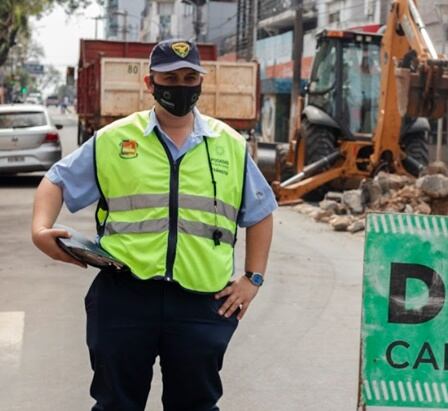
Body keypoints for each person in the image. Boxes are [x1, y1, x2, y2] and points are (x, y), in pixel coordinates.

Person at [30, 39, 277, 411]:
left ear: (200, 82)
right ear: (150, 83)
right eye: (170, 77)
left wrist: (253, 279)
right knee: (116, 404)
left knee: (195, 404)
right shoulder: (116, 139)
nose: (180, 85)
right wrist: (40, 229)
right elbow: (57, 181)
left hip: (201, 302)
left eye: (189, 76)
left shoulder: (229, 145)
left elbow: (260, 212)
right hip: (124, 296)